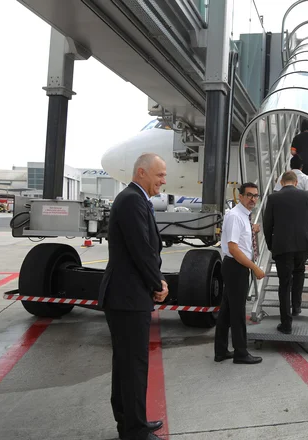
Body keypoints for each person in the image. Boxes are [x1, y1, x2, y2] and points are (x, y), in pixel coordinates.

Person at [98, 153, 169, 440]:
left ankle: (130, 421)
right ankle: (134, 430)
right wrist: (158, 283)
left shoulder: (134, 199)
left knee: (127, 365)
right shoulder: (131, 200)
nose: (163, 180)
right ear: (141, 172)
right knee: (133, 367)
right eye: (159, 175)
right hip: (127, 298)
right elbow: (141, 249)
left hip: (128, 297)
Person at [214, 182, 265, 365]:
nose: (253, 199)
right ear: (241, 196)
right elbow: (234, 248)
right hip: (236, 266)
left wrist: (252, 229)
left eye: (255, 196)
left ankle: (220, 351)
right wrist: (255, 267)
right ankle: (241, 352)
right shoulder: (236, 216)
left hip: (235, 266)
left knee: (227, 311)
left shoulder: (242, 215)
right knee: (237, 312)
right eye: (249, 195)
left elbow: (237, 238)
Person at [264, 171, 308, 333]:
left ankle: (286, 324)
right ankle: (296, 306)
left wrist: (270, 245)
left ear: (281, 182)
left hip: (282, 246)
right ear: (296, 183)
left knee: (284, 284)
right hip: (303, 245)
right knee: (299, 272)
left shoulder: (273, 198)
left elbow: (268, 225)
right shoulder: (306, 196)